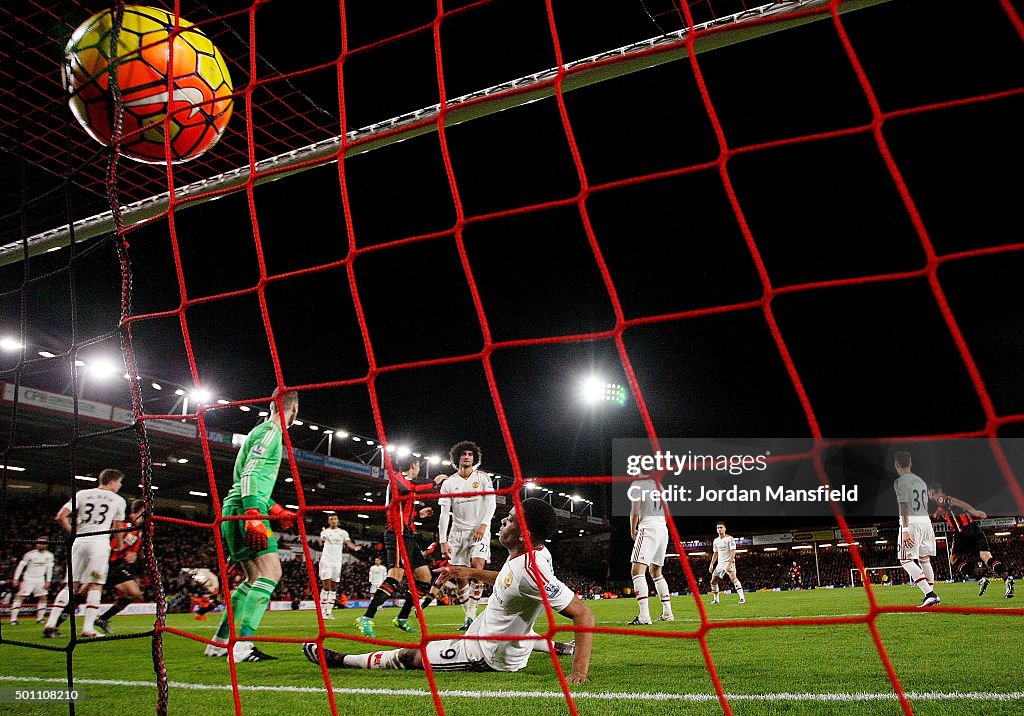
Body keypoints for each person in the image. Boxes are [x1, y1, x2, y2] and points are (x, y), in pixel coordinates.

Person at [304, 498, 593, 683]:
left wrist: (579, 672)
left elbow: (583, 615)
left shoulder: (531, 568)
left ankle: (341, 660)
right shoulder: (531, 552)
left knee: (410, 656)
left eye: (510, 520)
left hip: (487, 654)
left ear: (523, 534)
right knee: (520, 626)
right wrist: (470, 571)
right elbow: (510, 580)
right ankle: (557, 647)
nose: (502, 521)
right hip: (491, 628)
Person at [207, 389, 300, 662]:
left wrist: (275, 509)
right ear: (293, 408)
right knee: (271, 573)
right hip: (246, 507)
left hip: (234, 506)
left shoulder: (258, 432)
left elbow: (243, 475)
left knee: (252, 578)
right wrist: (253, 513)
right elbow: (249, 474)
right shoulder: (272, 431)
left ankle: (220, 641)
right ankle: (242, 646)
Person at [356, 455, 444, 637]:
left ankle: (402, 617)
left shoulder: (406, 482)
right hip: (397, 535)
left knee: (424, 578)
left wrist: (418, 514)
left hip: (409, 535)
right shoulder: (397, 479)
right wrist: (433, 483)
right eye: (418, 465)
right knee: (395, 576)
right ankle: (367, 617)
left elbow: (403, 510)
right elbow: (410, 488)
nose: (419, 468)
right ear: (414, 465)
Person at [44, 468, 127, 638]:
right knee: (95, 585)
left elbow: (61, 516)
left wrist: (74, 532)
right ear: (112, 481)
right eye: (119, 482)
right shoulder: (118, 500)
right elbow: (118, 526)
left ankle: (50, 624)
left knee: (70, 586)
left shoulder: (82, 494)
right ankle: (88, 628)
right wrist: (119, 545)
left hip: (79, 543)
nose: (119, 485)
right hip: (99, 544)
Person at [55, 499, 148, 635]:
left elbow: (133, 549)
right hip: (103, 563)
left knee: (135, 594)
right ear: (142, 511)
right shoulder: (123, 525)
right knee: (82, 594)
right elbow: (108, 540)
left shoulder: (138, 530)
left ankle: (102, 619)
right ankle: (56, 624)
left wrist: (132, 553)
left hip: (116, 567)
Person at [437, 440, 495, 630]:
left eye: (470, 454)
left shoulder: (483, 478)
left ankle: (472, 614)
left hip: (479, 530)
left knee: (477, 567)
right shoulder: (449, 483)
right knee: (460, 575)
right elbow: (444, 513)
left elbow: (491, 504)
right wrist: (443, 541)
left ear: (474, 458)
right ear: (457, 457)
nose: (467, 457)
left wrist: (484, 525)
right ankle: (468, 616)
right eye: (464, 454)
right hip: (457, 533)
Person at [928, 483, 1014, 599]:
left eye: (929, 494)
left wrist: (975, 512)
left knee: (953, 560)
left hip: (962, 531)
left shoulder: (941, 498)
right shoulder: (941, 505)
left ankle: (980, 578)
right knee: (986, 556)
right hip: (975, 529)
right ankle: (1006, 579)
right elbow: (943, 510)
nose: (929, 497)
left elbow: (958, 502)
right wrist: (937, 514)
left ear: (932, 493)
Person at [893, 451, 941, 607]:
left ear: (897, 465)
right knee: (924, 559)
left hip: (912, 522)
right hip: (925, 521)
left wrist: (905, 529)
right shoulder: (920, 481)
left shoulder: (900, 482)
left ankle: (929, 593)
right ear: (911, 463)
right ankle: (931, 597)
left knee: (905, 560)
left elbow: (904, 506)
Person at [626, 474, 673, 625]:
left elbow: (635, 510)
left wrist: (633, 529)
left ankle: (644, 617)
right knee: (656, 572)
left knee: (637, 571)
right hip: (662, 528)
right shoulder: (660, 486)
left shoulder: (637, 484)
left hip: (648, 527)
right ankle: (667, 613)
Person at [318, 513, 362, 620]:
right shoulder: (326, 532)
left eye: (335, 519)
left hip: (337, 562)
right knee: (326, 586)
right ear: (329, 521)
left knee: (333, 588)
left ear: (338, 521)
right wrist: (322, 535)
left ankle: (329, 611)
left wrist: (354, 548)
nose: (333, 521)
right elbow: (322, 541)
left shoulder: (343, 533)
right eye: (331, 519)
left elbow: (348, 542)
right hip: (326, 561)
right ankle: (322, 610)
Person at [10, 536, 54, 626]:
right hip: (29, 579)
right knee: (20, 597)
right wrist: (16, 578)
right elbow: (21, 566)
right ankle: (13, 619)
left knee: (43, 597)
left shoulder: (49, 555)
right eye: (39, 542)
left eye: (43, 543)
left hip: (40, 579)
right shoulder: (30, 554)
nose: (41, 544)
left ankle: (40, 619)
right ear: (36, 544)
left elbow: (49, 568)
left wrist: (48, 581)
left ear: (46, 544)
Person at [709, 522, 745, 605]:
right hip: (720, 564)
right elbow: (715, 553)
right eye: (718, 528)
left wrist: (729, 564)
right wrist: (711, 564)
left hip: (729, 562)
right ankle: (716, 600)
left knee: (733, 579)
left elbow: (733, 552)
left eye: (721, 527)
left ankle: (742, 598)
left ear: (725, 529)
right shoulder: (716, 541)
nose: (719, 529)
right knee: (713, 581)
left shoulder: (730, 539)